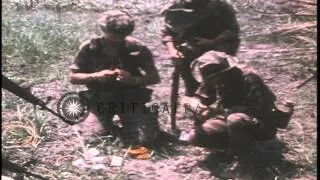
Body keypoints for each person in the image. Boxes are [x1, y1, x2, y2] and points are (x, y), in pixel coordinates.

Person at [69, 10, 161, 146]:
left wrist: (133, 80)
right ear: (103, 30)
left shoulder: (137, 48)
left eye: (122, 35)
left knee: (146, 139)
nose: (117, 40)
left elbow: (154, 77)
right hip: (100, 99)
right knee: (93, 138)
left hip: (130, 99)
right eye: (113, 35)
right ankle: (104, 124)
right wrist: (95, 76)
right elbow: (73, 77)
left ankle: (139, 120)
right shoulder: (90, 47)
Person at [181, 51, 294, 155]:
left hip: (260, 124)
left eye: (215, 76)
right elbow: (192, 99)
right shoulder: (213, 79)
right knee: (194, 137)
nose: (213, 80)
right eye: (210, 77)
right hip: (231, 122)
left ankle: (245, 160)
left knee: (235, 120)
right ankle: (234, 145)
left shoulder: (248, 77)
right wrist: (195, 106)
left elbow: (261, 109)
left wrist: (219, 111)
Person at [161, 0, 240, 96]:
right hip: (189, 51)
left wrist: (212, 42)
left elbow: (232, 30)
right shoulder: (175, 7)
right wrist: (172, 50)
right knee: (192, 87)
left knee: (220, 84)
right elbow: (168, 32)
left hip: (217, 52)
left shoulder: (219, 7)